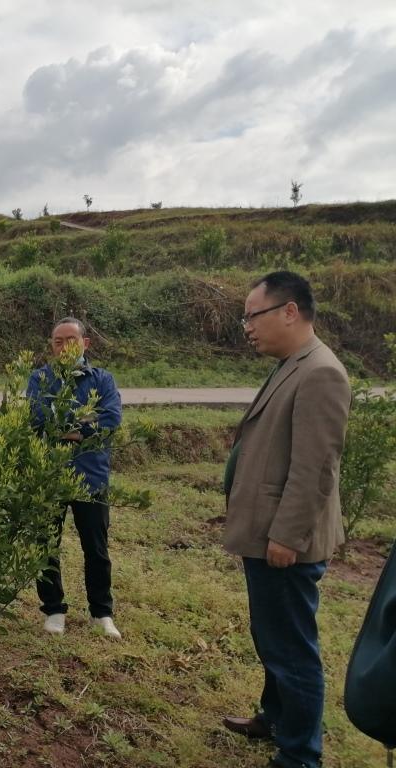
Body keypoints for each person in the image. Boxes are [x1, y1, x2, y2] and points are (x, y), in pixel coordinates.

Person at [221, 271, 350, 768]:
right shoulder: (291, 364)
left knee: (293, 649)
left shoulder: (320, 373)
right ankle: (273, 717)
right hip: (267, 531)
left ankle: (300, 754)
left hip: (285, 539)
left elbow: (316, 468)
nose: (248, 327)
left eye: (253, 315)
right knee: (272, 636)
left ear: (289, 311)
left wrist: (286, 536)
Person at [26, 317, 123, 639]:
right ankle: (53, 609)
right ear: (51, 346)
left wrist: (68, 428)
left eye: (71, 339)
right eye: (58, 341)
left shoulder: (102, 380)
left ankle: (102, 613)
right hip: (49, 474)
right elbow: (39, 419)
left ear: (85, 343)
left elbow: (110, 419)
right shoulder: (40, 379)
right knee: (46, 546)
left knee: (96, 548)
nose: (65, 346)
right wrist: (82, 423)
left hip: (90, 476)